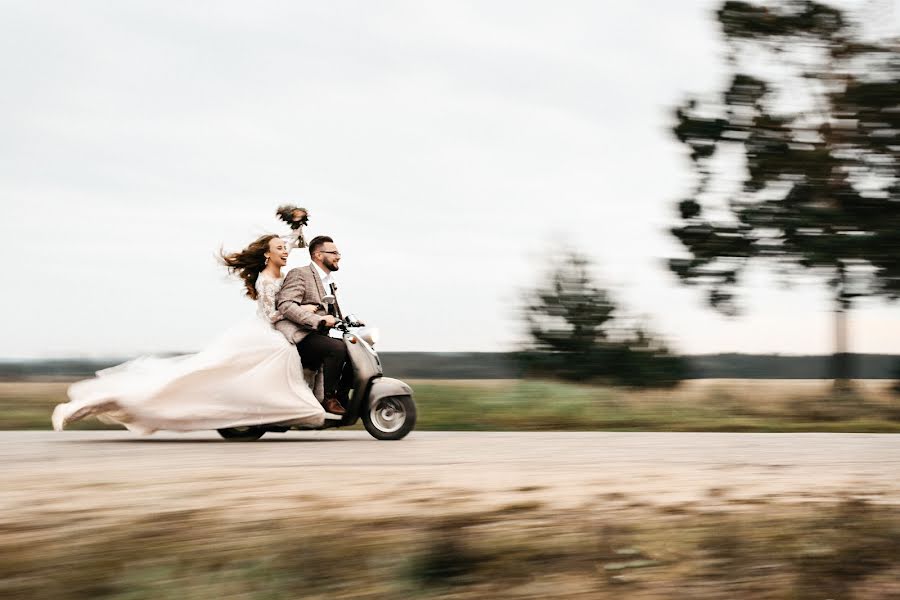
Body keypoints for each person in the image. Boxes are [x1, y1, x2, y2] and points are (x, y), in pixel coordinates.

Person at [51, 235, 326, 434]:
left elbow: (292, 243)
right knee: (191, 381)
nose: (286, 251)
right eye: (280, 249)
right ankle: (84, 406)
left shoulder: (279, 271)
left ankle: (281, 410)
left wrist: (298, 227)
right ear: (268, 254)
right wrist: (304, 310)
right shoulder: (266, 279)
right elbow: (271, 314)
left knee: (212, 380)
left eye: (285, 248)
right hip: (266, 335)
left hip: (268, 334)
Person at [275, 235, 353, 416]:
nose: (338, 256)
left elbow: (332, 311)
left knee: (355, 350)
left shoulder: (329, 281)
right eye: (333, 252)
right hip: (300, 334)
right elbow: (286, 305)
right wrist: (318, 320)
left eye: (338, 252)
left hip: (318, 335)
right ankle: (329, 398)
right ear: (318, 255)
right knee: (337, 348)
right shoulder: (300, 274)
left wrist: (349, 320)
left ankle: (342, 396)